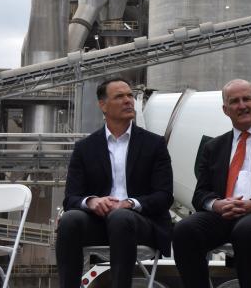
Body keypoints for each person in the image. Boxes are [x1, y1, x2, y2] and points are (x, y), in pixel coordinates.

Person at [173, 79, 251, 288]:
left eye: (246, 99)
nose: (242, 105)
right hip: (224, 216)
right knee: (184, 229)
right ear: (225, 109)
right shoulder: (213, 146)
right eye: (234, 101)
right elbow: (200, 193)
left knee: (246, 229)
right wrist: (216, 204)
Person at [56, 77, 174, 288]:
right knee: (69, 220)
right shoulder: (85, 148)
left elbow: (164, 196)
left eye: (130, 95)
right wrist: (92, 202)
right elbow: (71, 198)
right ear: (103, 105)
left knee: (120, 217)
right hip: (98, 223)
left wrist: (129, 203)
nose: (128, 100)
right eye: (120, 96)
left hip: (141, 223)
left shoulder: (154, 144)